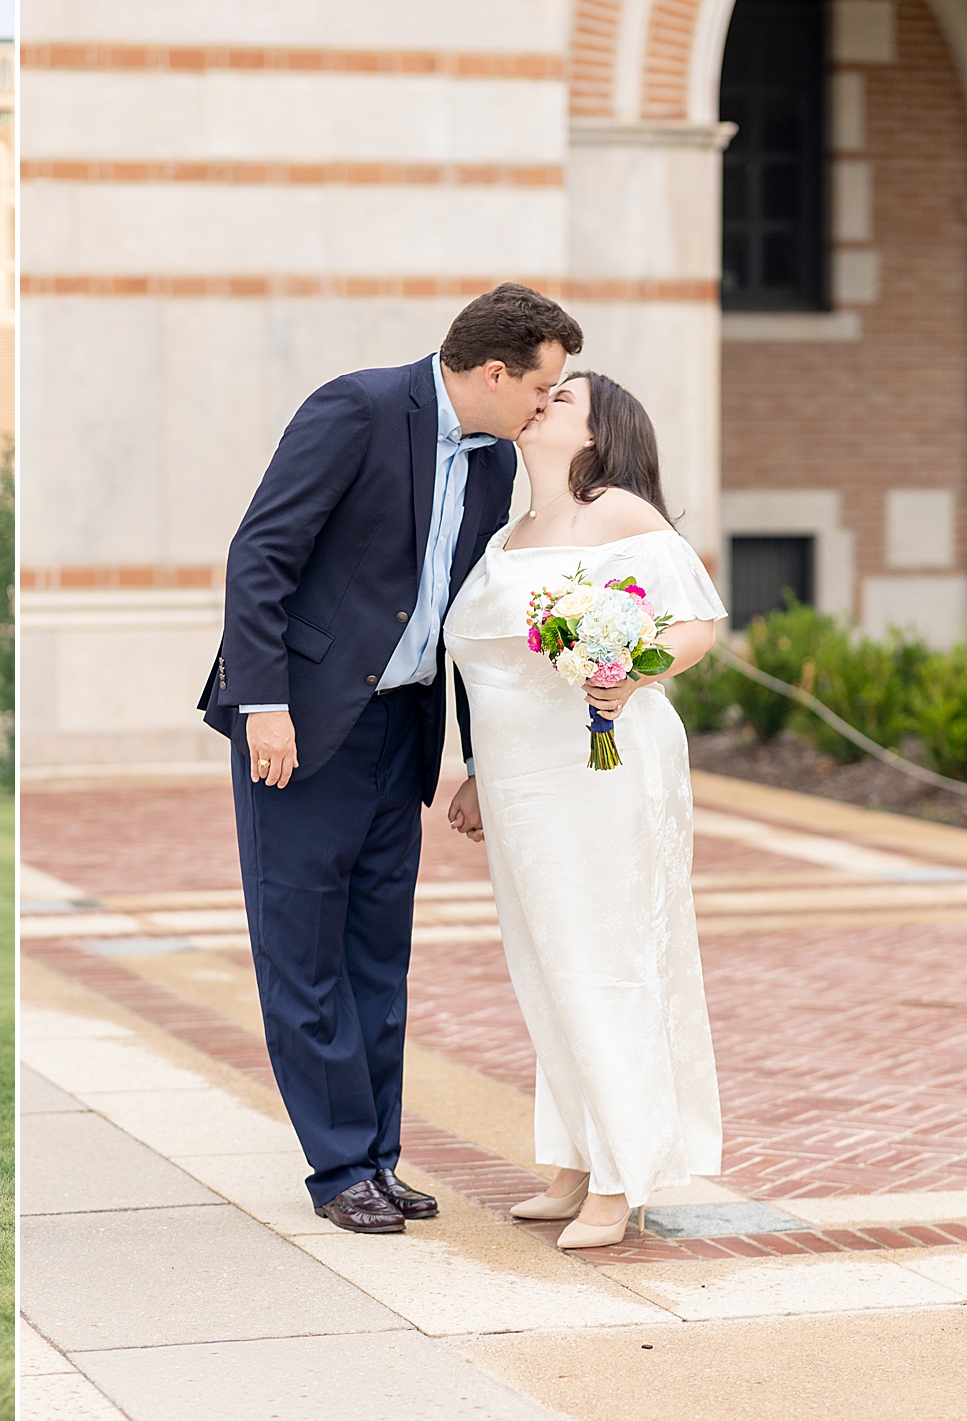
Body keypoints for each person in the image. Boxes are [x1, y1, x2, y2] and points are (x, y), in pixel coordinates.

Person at [198, 283, 585, 1233]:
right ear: (495, 372)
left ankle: (376, 1154)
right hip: (301, 729)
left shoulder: (494, 461)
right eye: (542, 389)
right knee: (304, 954)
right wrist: (265, 704)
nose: (544, 408)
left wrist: (476, 755)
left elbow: (468, 619)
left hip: (400, 732)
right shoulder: (357, 408)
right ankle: (338, 1170)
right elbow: (260, 556)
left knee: (379, 955)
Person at [443, 372, 723, 1248]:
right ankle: (572, 1153)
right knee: (543, 959)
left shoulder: (620, 514)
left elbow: (694, 622)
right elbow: (491, 669)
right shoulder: (510, 530)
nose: (543, 403)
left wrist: (627, 670)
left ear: (600, 435)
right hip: (521, 778)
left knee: (603, 958)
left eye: (564, 398)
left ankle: (621, 1170)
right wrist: (480, 770)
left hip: (600, 764)